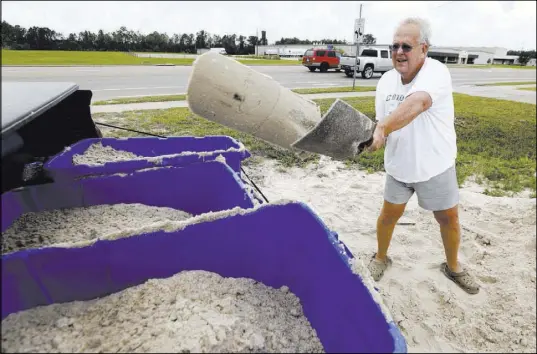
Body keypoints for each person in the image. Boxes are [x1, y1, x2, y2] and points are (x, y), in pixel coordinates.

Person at [366, 17, 480, 294]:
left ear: (424, 49)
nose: (399, 52)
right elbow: (384, 123)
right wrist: (374, 137)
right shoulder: (385, 81)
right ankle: (380, 257)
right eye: (394, 46)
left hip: (435, 165)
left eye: (406, 46)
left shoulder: (437, 72)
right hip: (399, 167)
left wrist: (382, 127)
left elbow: (418, 102)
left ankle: (453, 267)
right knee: (387, 216)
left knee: (448, 219)